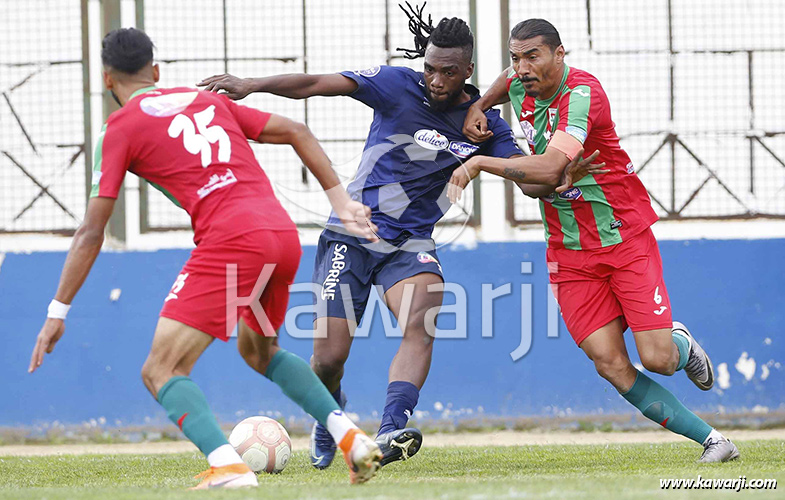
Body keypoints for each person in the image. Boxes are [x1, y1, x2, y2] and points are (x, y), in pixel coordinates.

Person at [199, 5, 600, 469]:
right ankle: (330, 417)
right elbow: (316, 84)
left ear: (467, 71)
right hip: (351, 235)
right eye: (429, 67)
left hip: (409, 246)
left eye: (447, 72)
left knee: (422, 319)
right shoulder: (396, 84)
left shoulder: (485, 127)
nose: (434, 79)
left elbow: (530, 184)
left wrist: (559, 175)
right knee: (327, 361)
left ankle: (391, 429)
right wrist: (251, 85)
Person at [28, 27, 385, 489]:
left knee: (161, 370)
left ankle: (229, 465)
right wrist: (340, 203)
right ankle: (351, 438)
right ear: (156, 72)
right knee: (259, 351)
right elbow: (297, 129)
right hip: (279, 236)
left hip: (232, 241)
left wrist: (58, 311)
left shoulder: (119, 128)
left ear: (106, 80)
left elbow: (92, 230)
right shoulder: (208, 102)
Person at [454, 18, 738, 463]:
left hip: (622, 238)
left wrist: (478, 165)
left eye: (534, 56)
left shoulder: (582, 94)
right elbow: (507, 79)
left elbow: (548, 172)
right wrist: (481, 105)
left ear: (560, 54)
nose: (523, 68)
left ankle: (678, 343)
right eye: (516, 57)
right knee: (608, 362)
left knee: (658, 359)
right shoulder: (519, 83)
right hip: (568, 253)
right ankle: (714, 441)